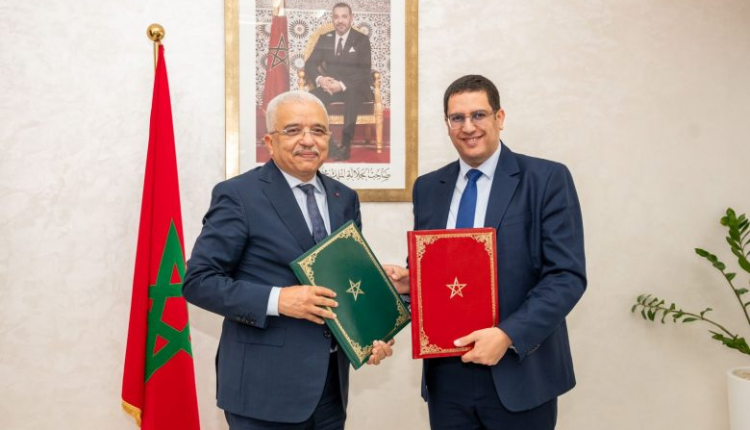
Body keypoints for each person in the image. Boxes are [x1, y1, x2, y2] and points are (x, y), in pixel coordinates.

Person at [385, 75, 587, 430]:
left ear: (499, 117)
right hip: (447, 378)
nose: (468, 127)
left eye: (478, 115)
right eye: (457, 118)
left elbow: (566, 276)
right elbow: (435, 272)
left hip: (520, 371)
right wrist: (408, 283)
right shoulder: (429, 188)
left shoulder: (546, 179)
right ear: (447, 124)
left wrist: (507, 335)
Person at [183, 90, 393, 430]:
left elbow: (345, 283)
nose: (307, 140)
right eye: (293, 130)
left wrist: (371, 336)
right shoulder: (239, 195)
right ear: (270, 141)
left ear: (329, 138)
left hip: (330, 390)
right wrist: (278, 300)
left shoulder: (344, 198)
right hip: (263, 391)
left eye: (318, 130)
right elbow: (198, 282)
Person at [304, 2, 373, 161]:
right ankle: (329, 144)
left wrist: (341, 85)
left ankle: (345, 145)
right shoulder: (325, 39)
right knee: (311, 99)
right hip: (331, 87)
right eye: (336, 17)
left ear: (351, 18)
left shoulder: (361, 40)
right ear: (332, 18)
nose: (340, 20)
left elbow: (364, 71)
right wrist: (321, 79)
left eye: (344, 16)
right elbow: (310, 64)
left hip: (356, 87)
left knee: (352, 95)